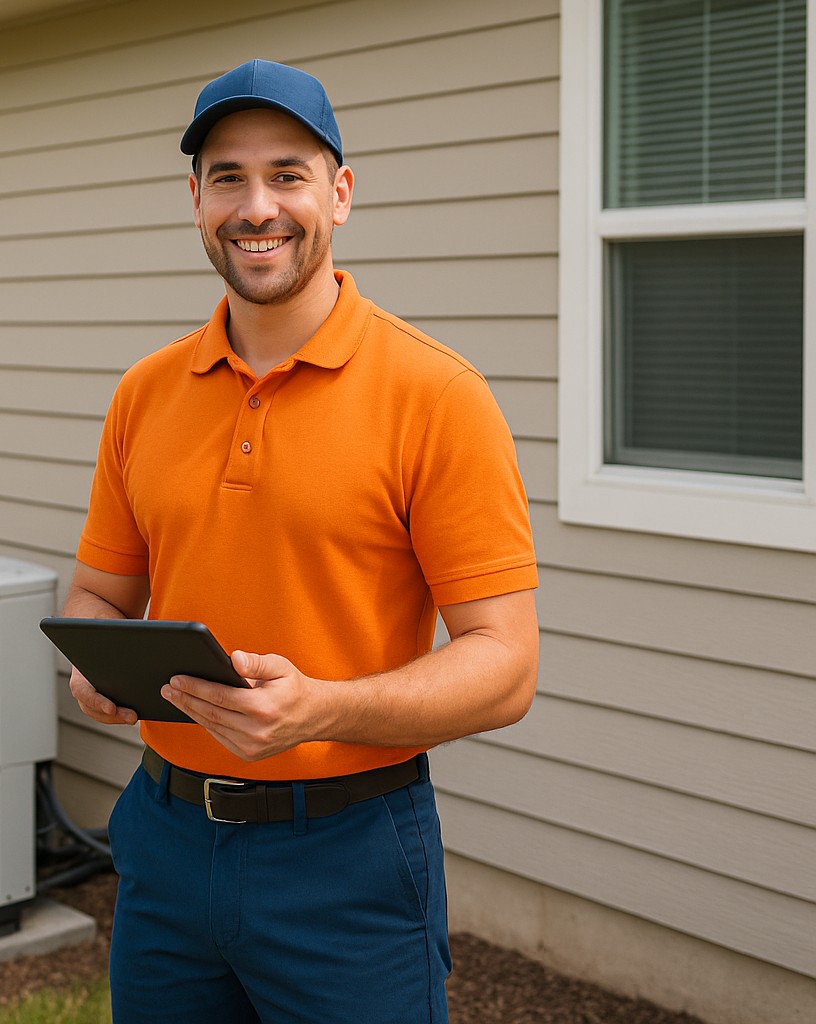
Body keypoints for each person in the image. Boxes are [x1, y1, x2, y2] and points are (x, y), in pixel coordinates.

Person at [63, 59, 540, 1024]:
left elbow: (507, 666)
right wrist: (93, 666)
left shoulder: (437, 396)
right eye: (228, 178)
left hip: (348, 855)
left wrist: (319, 708)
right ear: (195, 201)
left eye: (287, 174)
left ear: (341, 194)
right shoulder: (144, 394)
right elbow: (99, 596)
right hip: (162, 839)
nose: (257, 207)